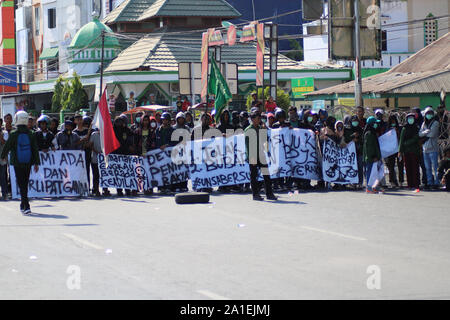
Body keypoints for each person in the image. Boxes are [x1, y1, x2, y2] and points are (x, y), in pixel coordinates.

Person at [0, 111, 40, 214]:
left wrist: (2, 156)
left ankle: (26, 205)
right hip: (28, 162)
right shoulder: (31, 133)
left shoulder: (14, 134)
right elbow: (35, 149)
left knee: (21, 182)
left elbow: (7, 147)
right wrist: (36, 163)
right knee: (25, 183)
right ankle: (24, 204)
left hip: (17, 162)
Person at [245, 110, 277, 201]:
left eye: (260, 118)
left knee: (266, 175)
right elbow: (248, 145)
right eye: (257, 118)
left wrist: (264, 130)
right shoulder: (249, 130)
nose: (259, 119)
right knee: (254, 176)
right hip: (253, 155)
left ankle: (269, 194)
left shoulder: (260, 128)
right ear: (252, 119)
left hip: (261, 154)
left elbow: (264, 141)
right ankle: (255, 194)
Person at [398, 113, 421, 192]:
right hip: (406, 151)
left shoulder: (416, 127)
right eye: (409, 118)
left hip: (415, 151)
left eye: (412, 118)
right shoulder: (404, 128)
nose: (411, 120)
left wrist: (407, 143)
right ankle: (410, 184)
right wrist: (400, 151)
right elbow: (401, 140)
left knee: (415, 168)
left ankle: (416, 184)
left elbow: (416, 138)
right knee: (408, 168)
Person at [419, 107, 440, 190]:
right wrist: (426, 131)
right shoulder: (424, 123)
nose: (429, 115)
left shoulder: (435, 123)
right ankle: (430, 182)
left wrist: (425, 133)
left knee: (435, 167)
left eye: (430, 113)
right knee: (427, 168)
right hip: (425, 149)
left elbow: (432, 134)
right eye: (427, 113)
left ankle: (437, 182)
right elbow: (419, 134)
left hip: (433, 148)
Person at [363, 116, 383, 193]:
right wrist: (373, 156)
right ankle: (369, 188)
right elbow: (369, 147)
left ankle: (373, 187)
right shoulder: (369, 134)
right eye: (375, 123)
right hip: (370, 157)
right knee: (370, 173)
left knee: (373, 173)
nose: (376, 125)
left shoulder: (372, 133)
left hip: (373, 157)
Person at [344, 115, 364, 188]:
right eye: (353, 121)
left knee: (360, 167)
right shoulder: (348, 129)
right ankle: (352, 182)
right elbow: (346, 139)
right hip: (350, 152)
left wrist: (358, 139)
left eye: (356, 121)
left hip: (359, 151)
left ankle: (360, 182)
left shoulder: (360, 129)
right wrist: (352, 137)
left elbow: (363, 139)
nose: (355, 122)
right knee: (351, 167)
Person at [384, 114, 403, 189]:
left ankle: (401, 181)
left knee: (400, 165)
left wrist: (397, 131)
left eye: (394, 120)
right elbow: (385, 138)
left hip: (398, 149)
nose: (393, 122)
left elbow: (401, 137)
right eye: (391, 121)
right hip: (391, 150)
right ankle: (392, 181)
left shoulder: (399, 128)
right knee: (391, 166)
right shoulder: (387, 128)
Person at [0, 121, 8, 200]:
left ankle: (5, 194)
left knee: (3, 177)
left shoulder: (4, 133)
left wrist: (1, 137)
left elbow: (5, 143)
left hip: (2, 158)